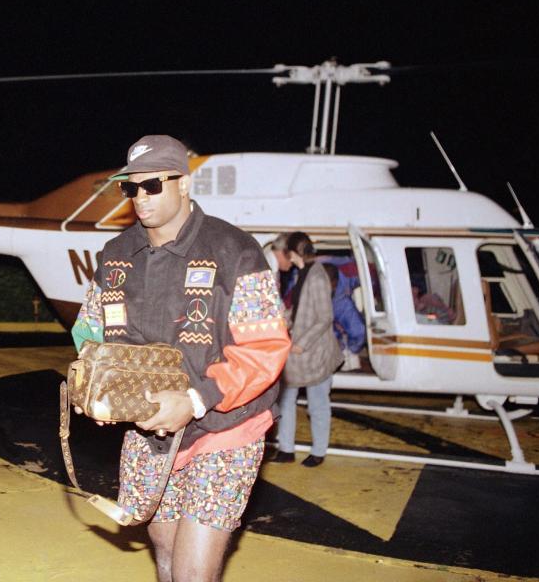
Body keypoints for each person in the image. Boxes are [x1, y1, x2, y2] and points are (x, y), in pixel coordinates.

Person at [71, 135, 291, 582]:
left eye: (152, 185)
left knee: (192, 573)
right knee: (166, 555)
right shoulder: (115, 256)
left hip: (226, 428)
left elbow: (265, 348)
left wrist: (194, 401)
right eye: (130, 188)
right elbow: (89, 331)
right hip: (146, 432)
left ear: (184, 183)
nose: (140, 198)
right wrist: (93, 386)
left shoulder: (236, 251)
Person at [273, 231, 343, 467]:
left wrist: (302, 343)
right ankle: (286, 448)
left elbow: (325, 317)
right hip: (299, 355)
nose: (288, 259)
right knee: (286, 400)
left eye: (288, 254)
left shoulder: (316, 277)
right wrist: (285, 320)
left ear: (293, 253)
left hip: (316, 354)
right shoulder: (304, 274)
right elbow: (303, 310)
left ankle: (319, 451)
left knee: (318, 404)